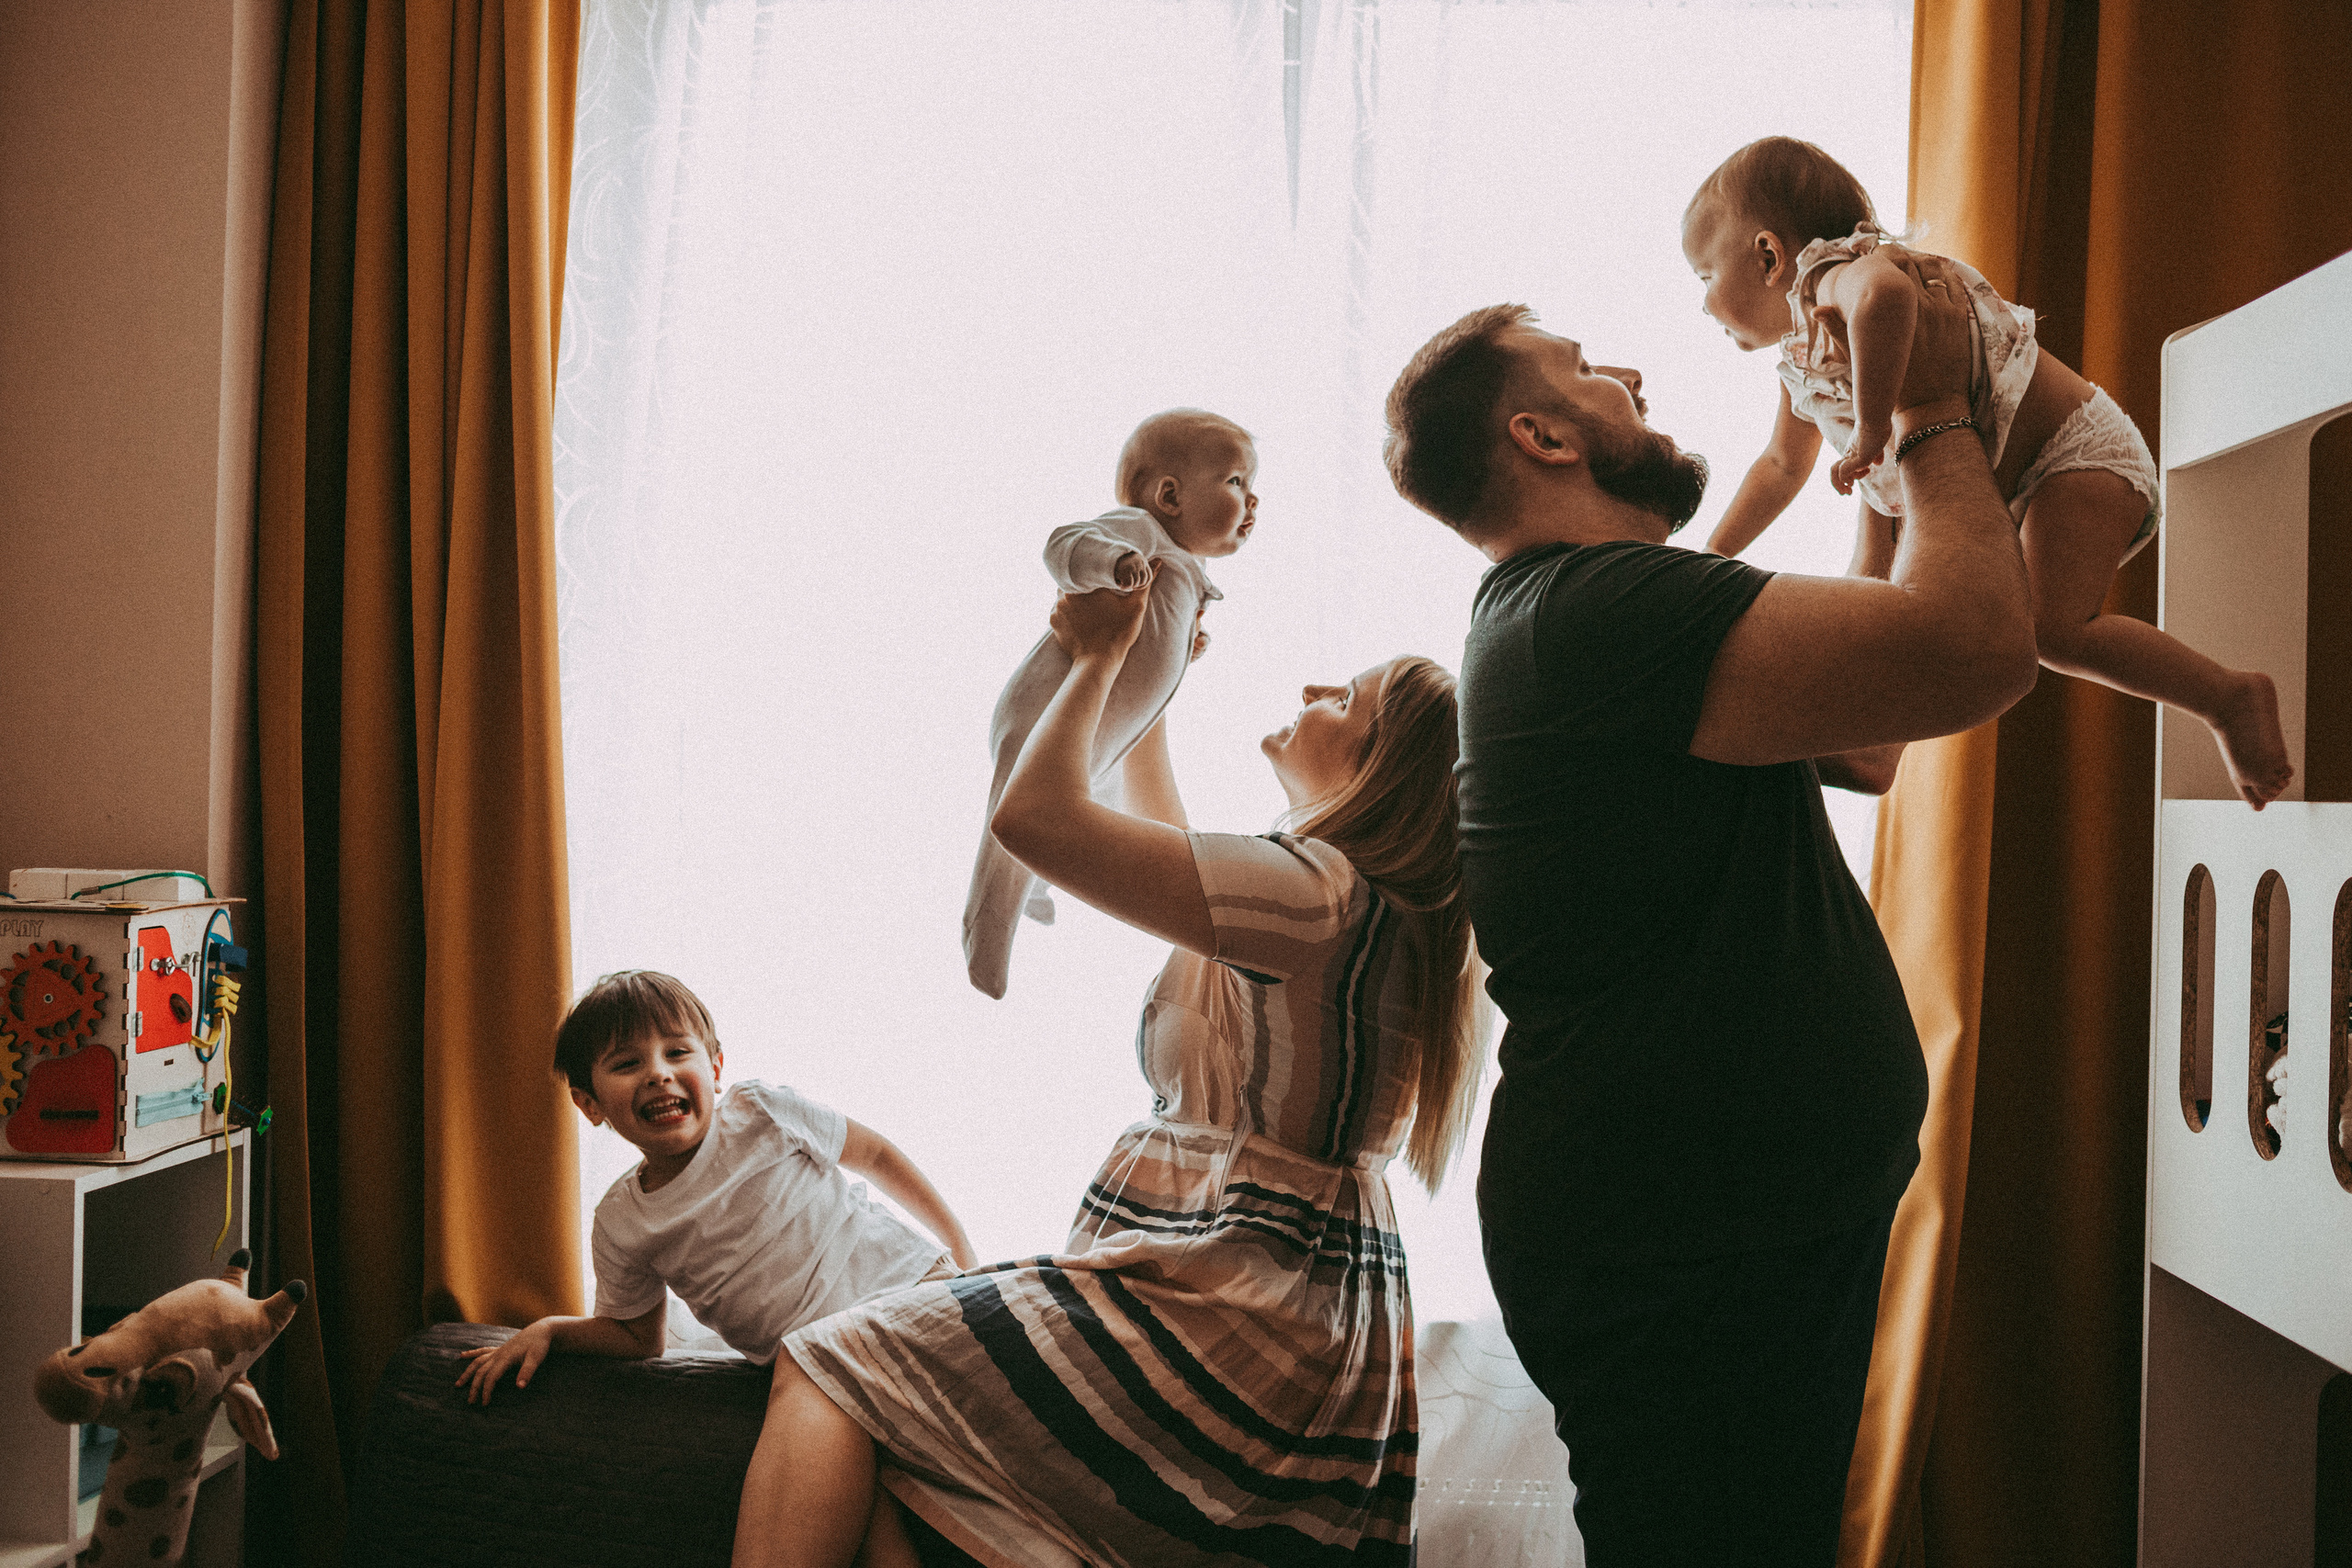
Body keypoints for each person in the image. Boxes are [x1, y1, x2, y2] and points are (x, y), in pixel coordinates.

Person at [1381, 269, 2039, 1564]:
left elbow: (1864, 743)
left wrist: (1876, 502)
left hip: (1701, 1229)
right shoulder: (1596, 609)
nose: (1627, 374)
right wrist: (1934, 406)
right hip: (1684, 1243)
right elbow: (1977, 645)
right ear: (1543, 434)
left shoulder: (1582, 617)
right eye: (1585, 364)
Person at [741, 592, 1485, 1566]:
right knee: (905, 1460)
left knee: (828, 1361)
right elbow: (1164, 835)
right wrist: (1156, 678)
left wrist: (1095, 661)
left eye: (1344, 698)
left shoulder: (1313, 892)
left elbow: (1035, 819)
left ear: (1377, 765)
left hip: (1225, 1310)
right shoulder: (1368, 913)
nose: (1312, 692)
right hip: (1295, 1322)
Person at [1685, 134, 2290, 807]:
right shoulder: (1800, 362)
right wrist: (1711, 558)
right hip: (2003, 476)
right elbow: (1777, 467)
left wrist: (1876, 424)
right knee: (1882, 591)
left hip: (2073, 454)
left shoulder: (1834, 273)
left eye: (1704, 277)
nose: (1703, 303)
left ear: (1769, 255)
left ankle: (2226, 696)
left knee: (2050, 631)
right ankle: (1876, 740)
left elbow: (1886, 299)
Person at [454, 969, 977, 1405]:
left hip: (907, 1285)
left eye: (677, 1052)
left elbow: (876, 1156)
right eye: (627, 1063)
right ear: (589, 1104)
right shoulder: (621, 1221)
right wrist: (552, 1329)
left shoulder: (759, 1113)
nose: (658, 1073)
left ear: (716, 1067)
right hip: (822, 1363)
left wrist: (959, 1249)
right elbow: (637, 1339)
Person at [964, 408, 1260, 998]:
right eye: (1235, 482)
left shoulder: (1188, 569)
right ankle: (985, 930)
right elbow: (1063, 544)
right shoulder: (1139, 534)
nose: (1252, 502)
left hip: (1106, 728)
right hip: (1045, 709)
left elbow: (1149, 646)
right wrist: (1113, 565)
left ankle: (1035, 892)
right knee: (1014, 824)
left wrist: (1178, 650)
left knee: (1087, 811)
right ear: (1169, 495)